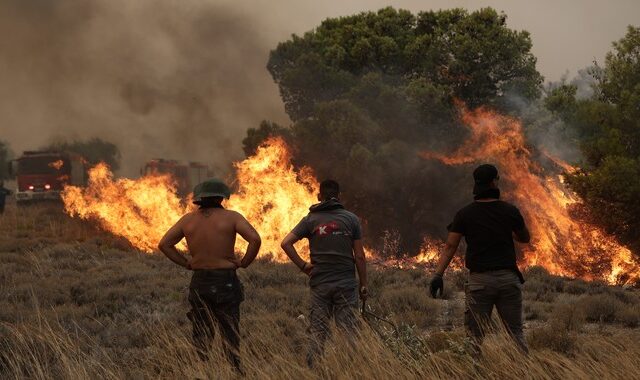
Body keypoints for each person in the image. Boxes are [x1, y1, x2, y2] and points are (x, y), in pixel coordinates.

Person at [158, 178, 261, 373]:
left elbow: (164, 245)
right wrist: (244, 262)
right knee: (229, 330)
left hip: (200, 281)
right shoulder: (232, 217)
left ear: (198, 199)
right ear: (221, 197)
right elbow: (254, 239)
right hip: (225, 281)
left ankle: (201, 371)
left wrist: (186, 262)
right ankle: (235, 371)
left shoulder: (187, 220)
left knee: (201, 330)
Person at [430, 164, 530, 354]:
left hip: (479, 283)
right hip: (508, 280)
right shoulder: (510, 211)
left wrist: (438, 274)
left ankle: (473, 373)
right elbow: (525, 238)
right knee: (516, 333)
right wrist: (508, 231)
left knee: (474, 337)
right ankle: (525, 372)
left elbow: (451, 246)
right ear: (494, 182)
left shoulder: (464, 214)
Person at [280, 179, 367, 368]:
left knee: (318, 331)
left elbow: (286, 243)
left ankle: (313, 371)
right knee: (348, 330)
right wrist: (363, 284)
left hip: (320, 285)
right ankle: (350, 371)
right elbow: (359, 256)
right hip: (346, 284)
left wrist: (304, 266)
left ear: (319, 196)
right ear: (339, 196)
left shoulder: (310, 220)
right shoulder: (351, 219)